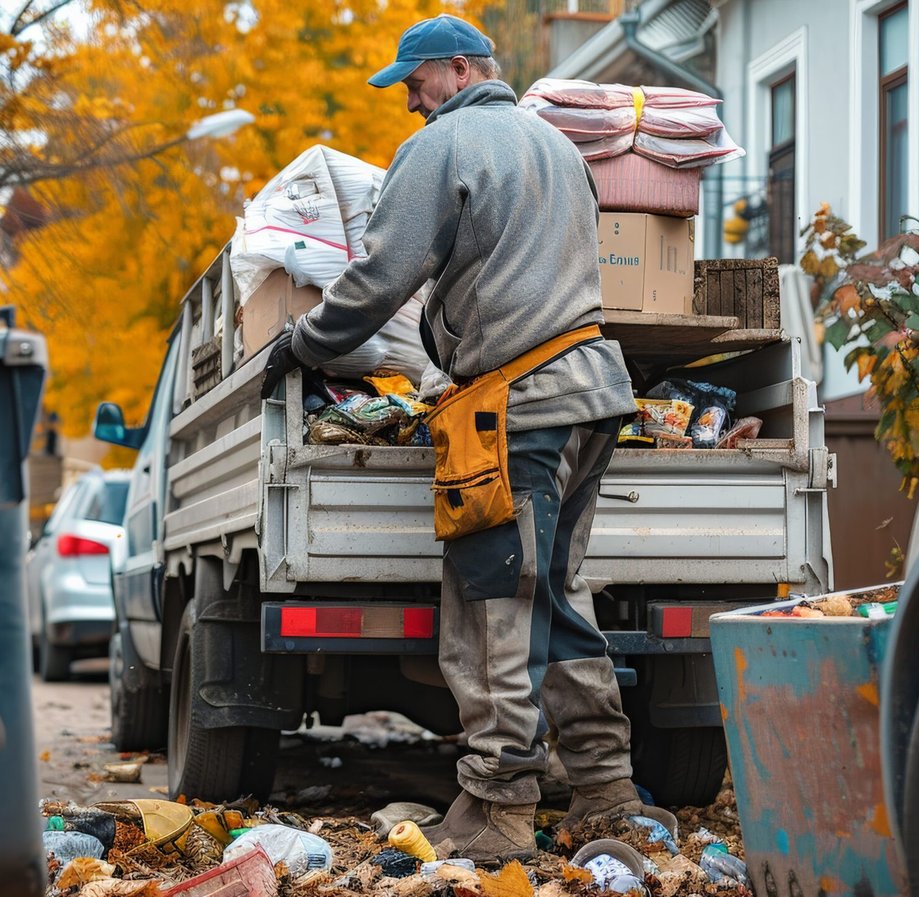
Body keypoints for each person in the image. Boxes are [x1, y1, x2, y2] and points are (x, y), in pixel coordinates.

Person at [256, 14, 643, 862]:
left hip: (519, 407)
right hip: (590, 393)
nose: (410, 102)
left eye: (415, 83)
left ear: (461, 70)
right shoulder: (555, 147)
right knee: (557, 593)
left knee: (496, 603)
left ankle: (501, 805)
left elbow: (376, 277)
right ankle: (609, 791)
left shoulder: (446, 145)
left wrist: (302, 345)